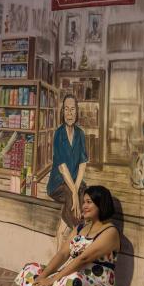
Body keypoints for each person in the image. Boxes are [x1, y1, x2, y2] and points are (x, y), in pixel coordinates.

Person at [12, 185, 119, 286]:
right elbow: (62, 254)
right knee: (31, 268)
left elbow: (83, 259)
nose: (84, 206)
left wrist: (52, 279)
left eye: (89, 202)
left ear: (101, 204)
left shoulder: (110, 232)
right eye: (83, 202)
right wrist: (43, 276)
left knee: (71, 278)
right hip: (70, 271)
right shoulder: (80, 228)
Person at [47, 94, 89, 249]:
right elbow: (63, 169)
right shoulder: (59, 134)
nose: (69, 113)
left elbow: (83, 163)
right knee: (73, 201)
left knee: (84, 196)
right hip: (58, 184)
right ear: (62, 112)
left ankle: (60, 238)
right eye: (66, 109)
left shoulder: (80, 134)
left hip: (73, 184)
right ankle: (80, 243)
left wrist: (76, 190)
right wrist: (74, 193)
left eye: (72, 109)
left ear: (77, 112)